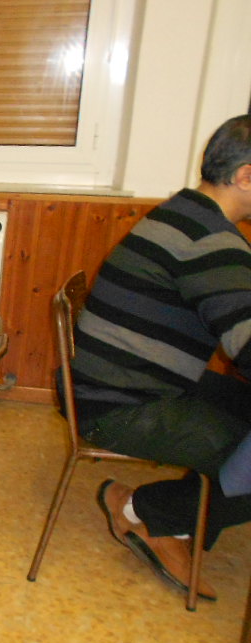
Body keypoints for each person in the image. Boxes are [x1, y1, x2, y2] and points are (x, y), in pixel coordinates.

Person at [72, 114, 251, 600]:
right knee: (246, 460)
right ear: (245, 176)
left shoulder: (185, 214)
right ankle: (145, 511)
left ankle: (177, 517)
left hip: (132, 380)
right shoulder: (212, 241)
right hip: (120, 404)